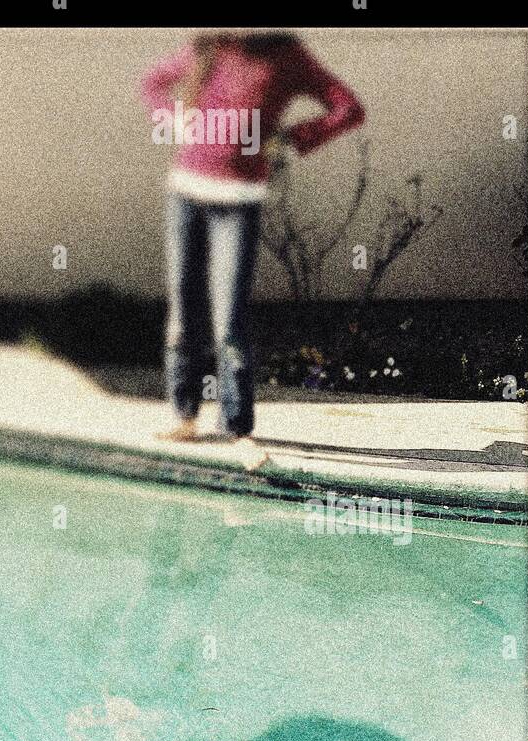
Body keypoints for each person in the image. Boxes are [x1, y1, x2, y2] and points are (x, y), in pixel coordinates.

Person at [141, 31, 364, 442]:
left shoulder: (287, 56)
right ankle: (183, 415)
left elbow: (348, 108)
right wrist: (171, 118)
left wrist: (293, 139)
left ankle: (237, 427)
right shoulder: (207, 46)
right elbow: (153, 83)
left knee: (229, 319)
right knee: (183, 310)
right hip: (185, 192)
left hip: (239, 202)